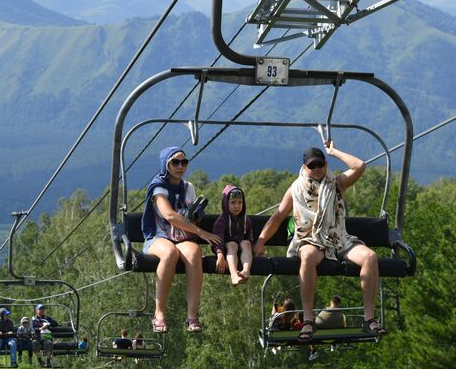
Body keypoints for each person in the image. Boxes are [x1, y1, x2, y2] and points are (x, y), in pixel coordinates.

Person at [254, 141, 387, 342]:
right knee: (307, 256)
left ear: (326, 164)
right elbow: (279, 216)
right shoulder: (296, 189)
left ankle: (369, 318)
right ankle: (308, 319)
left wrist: (333, 151)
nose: (317, 170)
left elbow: (359, 166)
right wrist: (261, 240)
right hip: (311, 239)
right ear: (304, 168)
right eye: (312, 166)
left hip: (338, 239)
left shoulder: (337, 183)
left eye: (320, 165)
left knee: (370, 257)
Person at [141, 147, 222, 334]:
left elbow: (187, 217)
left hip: (181, 237)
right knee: (170, 253)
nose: (180, 166)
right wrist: (200, 232)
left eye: (183, 162)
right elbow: (169, 215)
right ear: (166, 165)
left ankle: (192, 316)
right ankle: (159, 314)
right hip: (158, 237)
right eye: (175, 162)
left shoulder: (188, 188)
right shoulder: (158, 188)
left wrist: (195, 215)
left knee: (194, 253)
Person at [212, 185, 254, 285]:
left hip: (242, 249)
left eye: (240, 202)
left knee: (246, 243)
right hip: (225, 248)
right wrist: (220, 254)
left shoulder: (245, 220)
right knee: (232, 245)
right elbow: (218, 240)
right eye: (233, 202)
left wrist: (255, 249)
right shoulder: (221, 221)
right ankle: (234, 275)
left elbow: (250, 237)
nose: (237, 206)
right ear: (226, 204)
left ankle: (245, 271)